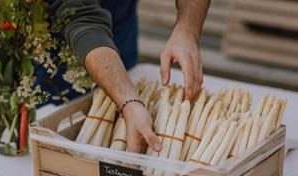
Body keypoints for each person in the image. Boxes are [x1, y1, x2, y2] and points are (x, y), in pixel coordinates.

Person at [48, 0, 210, 153]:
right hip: (59, 59)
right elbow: (80, 17)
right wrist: (129, 101)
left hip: (122, 29)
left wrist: (186, 31)